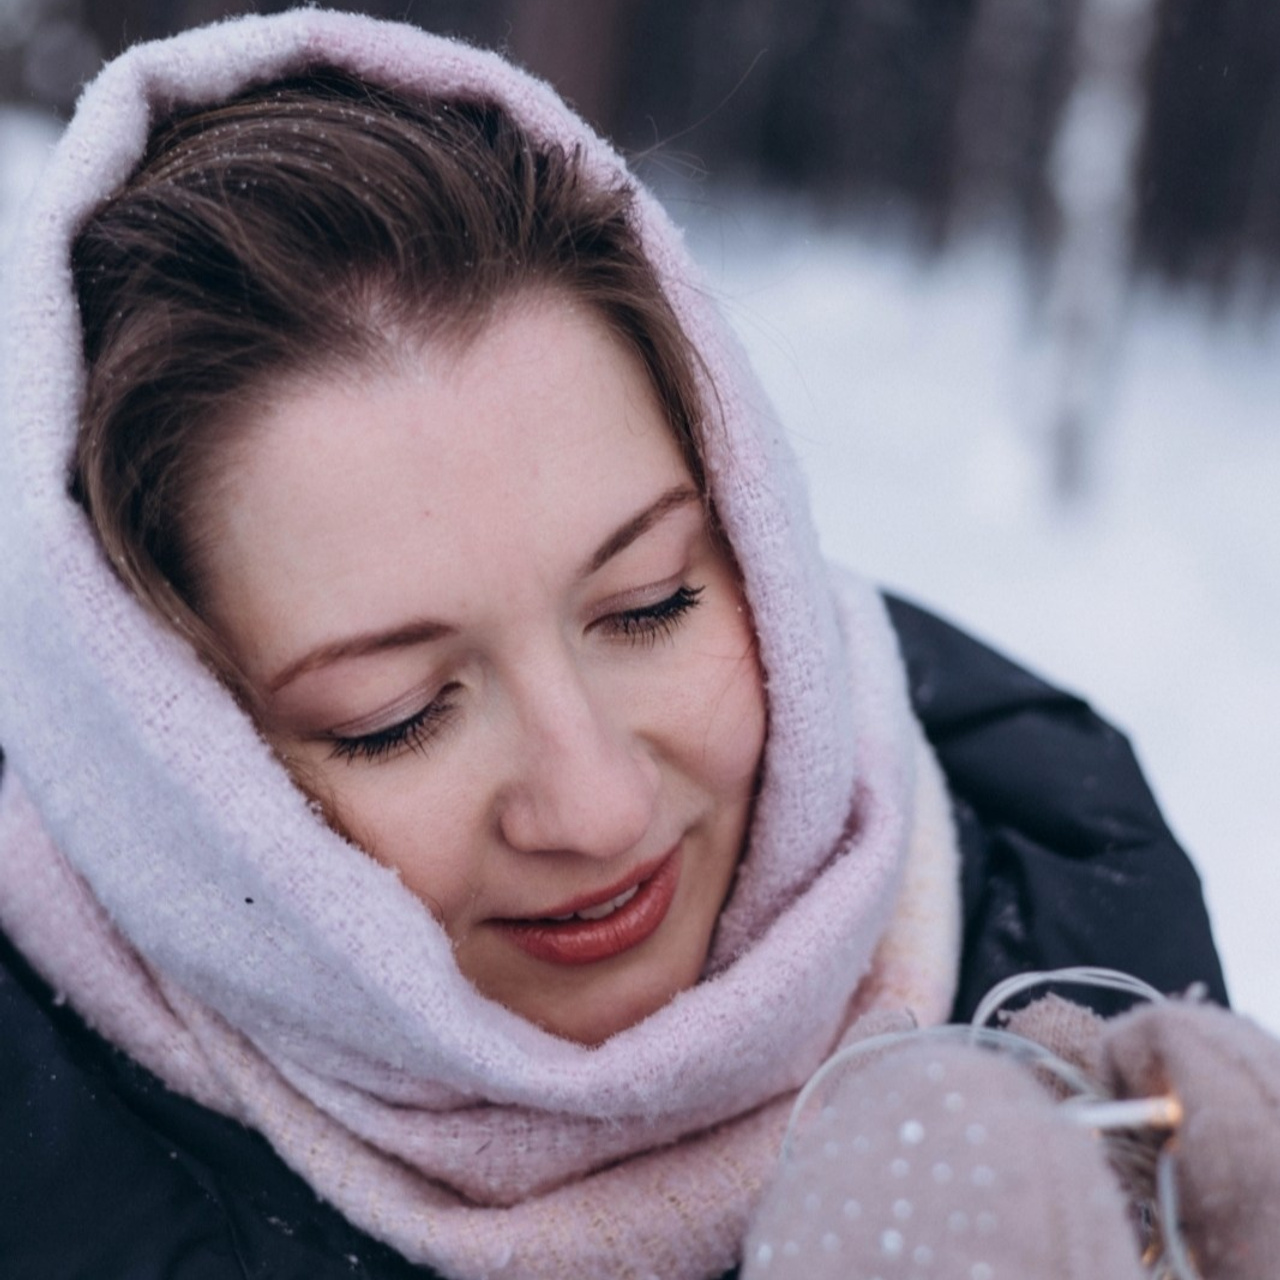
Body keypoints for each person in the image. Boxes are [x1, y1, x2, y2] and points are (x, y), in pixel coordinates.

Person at [0, 9, 1225, 1279]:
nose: (596, 805)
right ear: (161, 761)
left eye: (648, 602)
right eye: (396, 713)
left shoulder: (1073, 910)